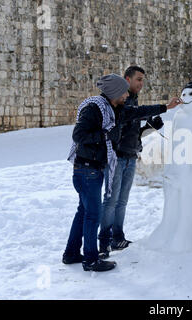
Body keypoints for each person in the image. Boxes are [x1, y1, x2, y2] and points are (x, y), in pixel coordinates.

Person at [98, 66, 182, 258]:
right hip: (116, 157)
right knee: (111, 201)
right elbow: (132, 114)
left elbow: (134, 132)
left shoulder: (132, 99)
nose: (141, 84)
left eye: (143, 80)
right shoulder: (119, 99)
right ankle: (104, 241)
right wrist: (165, 107)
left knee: (122, 201)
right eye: (138, 79)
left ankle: (117, 237)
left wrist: (152, 127)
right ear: (127, 79)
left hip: (130, 155)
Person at [63, 74, 130, 272]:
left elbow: (134, 112)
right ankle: (91, 260)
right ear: (115, 92)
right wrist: (105, 135)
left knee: (83, 212)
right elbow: (78, 135)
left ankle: (71, 253)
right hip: (87, 170)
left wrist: (163, 108)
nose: (127, 95)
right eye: (124, 91)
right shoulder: (94, 108)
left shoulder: (110, 108)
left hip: (90, 169)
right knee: (93, 215)